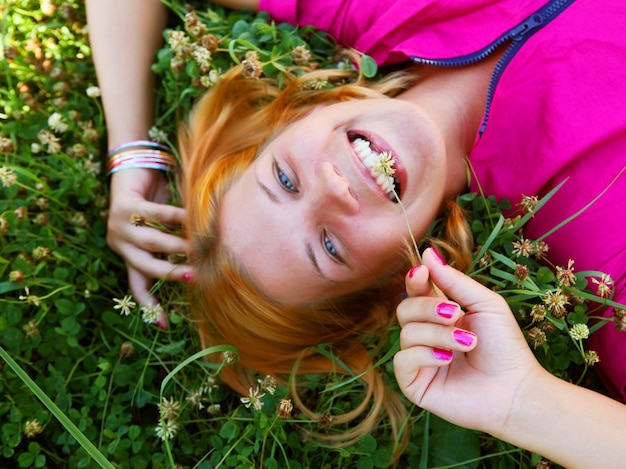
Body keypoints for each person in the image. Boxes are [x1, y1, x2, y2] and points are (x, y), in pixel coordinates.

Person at [87, 0, 626, 461]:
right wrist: (525, 403)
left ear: (296, 116)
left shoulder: (369, 9)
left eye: (284, 177)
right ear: (397, 275)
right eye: (328, 246)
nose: (332, 189)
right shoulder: (602, 253)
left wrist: (130, 155)